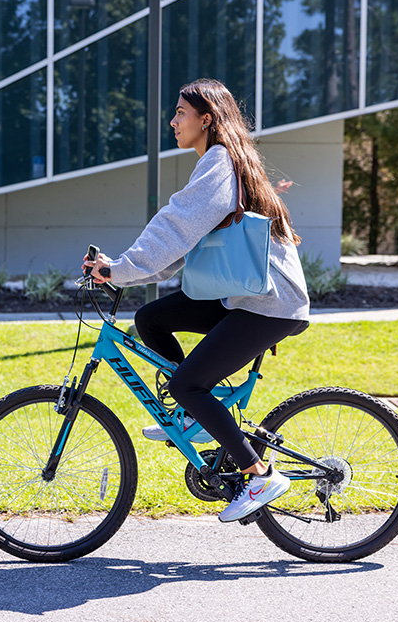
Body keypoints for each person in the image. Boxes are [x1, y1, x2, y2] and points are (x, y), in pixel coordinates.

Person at [84, 78, 310, 523]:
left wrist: (121, 269)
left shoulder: (219, 162)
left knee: (189, 383)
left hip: (269, 304)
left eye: (180, 113)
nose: (173, 121)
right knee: (151, 319)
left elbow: (175, 225)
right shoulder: (221, 162)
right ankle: (190, 418)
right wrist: (123, 272)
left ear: (206, 119)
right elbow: (186, 243)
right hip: (245, 297)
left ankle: (257, 473)